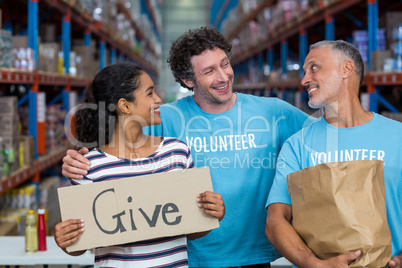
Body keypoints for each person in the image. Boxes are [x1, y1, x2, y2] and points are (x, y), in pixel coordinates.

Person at [61, 27, 314, 267]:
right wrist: (79, 157)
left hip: (255, 254)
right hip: (190, 257)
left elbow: (323, 138)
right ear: (188, 80)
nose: (223, 76)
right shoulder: (166, 118)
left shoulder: (272, 111)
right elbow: (117, 144)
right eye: (210, 71)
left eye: (225, 64)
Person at [54, 63, 225, 268]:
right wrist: (64, 239)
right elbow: (79, 244)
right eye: (150, 93)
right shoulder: (88, 166)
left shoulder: (177, 153)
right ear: (125, 106)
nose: (158, 99)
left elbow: (193, 229)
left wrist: (212, 213)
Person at [265, 40, 402, 268]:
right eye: (304, 71)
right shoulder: (297, 146)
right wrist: (315, 264)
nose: (304, 79)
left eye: (314, 68)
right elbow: (275, 221)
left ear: (346, 69)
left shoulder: (397, 136)